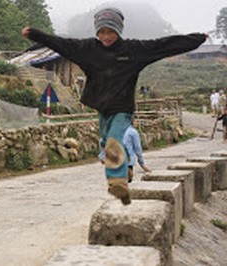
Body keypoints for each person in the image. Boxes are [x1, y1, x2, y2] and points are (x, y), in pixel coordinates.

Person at [22, 7, 207, 205]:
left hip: (123, 108)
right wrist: (35, 34)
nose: (106, 36)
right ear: (97, 32)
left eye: (111, 31)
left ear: (119, 31)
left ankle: (118, 183)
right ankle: (126, 166)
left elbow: (163, 45)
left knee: (113, 142)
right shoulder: (88, 49)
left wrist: (196, 39)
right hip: (102, 106)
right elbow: (61, 43)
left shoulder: (133, 50)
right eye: (102, 32)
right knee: (107, 140)